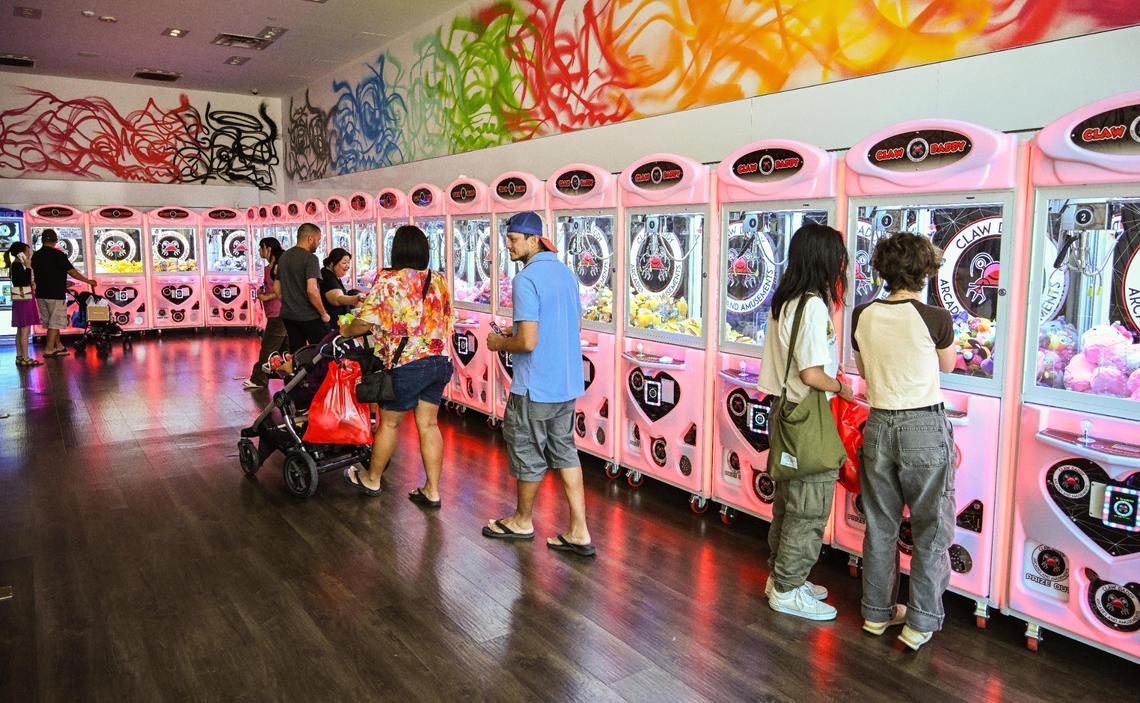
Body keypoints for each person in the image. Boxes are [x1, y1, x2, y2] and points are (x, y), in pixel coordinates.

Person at [851, 232, 957, 651]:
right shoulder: (935, 317)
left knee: (880, 526)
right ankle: (920, 621)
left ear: (883, 270)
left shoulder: (863, 314)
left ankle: (876, 614)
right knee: (931, 527)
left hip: (878, 424)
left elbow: (864, 370)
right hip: (923, 427)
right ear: (925, 271)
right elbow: (948, 364)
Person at [480, 211, 593, 557]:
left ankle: (522, 520)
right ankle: (579, 530)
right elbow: (569, 326)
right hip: (566, 384)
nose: (508, 246)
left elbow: (528, 342)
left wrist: (500, 342)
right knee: (566, 452)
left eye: (514, 240)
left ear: (533, 240)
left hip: (534, 387)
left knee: (528, 454)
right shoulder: (566, 274)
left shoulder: (525, 279)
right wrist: (515, 332)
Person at [757, 223, 852, 621]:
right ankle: (787, 588)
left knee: (788, 504)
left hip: (785, 411)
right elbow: (812, 374)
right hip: (807, 416)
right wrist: (841, 387)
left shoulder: (784, 300)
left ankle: (781, 576)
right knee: (809, 506)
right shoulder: (812, 305)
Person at [339, 225, 454, 505]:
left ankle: (372, 478)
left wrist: (345, 330)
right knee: (429, 425)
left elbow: (365, 323)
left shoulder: (389, 280)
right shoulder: (438, 280)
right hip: (439, 361)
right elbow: (448, 319)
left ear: (397, 250)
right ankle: (432, 490)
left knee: (389, 424)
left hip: (408, 364)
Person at [31, 229, 97, 358]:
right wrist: (87, 281)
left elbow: (46, 273)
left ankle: (58, 346)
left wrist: (62, 281)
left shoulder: (36, 255)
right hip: (55, 293)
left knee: (50, 322)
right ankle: (49, 349)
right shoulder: (58, 254)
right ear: (55, 241)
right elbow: (72, 271)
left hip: (40, 294)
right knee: (55, 323)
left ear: (42, 240)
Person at [243, 237, 288, 389]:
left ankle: (259, 379)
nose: (259, 251)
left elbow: (282, 290)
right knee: (284, 349)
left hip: (279, 314)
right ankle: (291, 377)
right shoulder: (271, 266)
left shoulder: (279, 266)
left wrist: (266, 297)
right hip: (276, 313)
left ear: (268, 248)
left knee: (268, 348)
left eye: (260, 248)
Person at [277, 222, 330, 351]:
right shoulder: (310, 258)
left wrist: (289, 302)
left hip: (288, 315)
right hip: (309, 316)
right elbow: (312, 290)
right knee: (321, 352)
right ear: (310, 239)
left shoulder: (284, 256)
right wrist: (323, 313)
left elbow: (277, 287)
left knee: (297, 352)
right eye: (318, 240)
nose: (318, 243)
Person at [5, 242, 43, 366]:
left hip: (20, 299)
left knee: (20, 329)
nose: (29, 254)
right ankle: (26, 357)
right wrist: (28, 267)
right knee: (25, 329)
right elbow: (24, 281)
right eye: (27, 251)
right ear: (21, 253)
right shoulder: (18, 265)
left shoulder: (15, 265)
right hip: (24, 299)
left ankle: (20, 356)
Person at [318, 247, 362, 329]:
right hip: (332, 326)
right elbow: (337, 299)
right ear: (332, 263)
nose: (347, 266)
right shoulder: (327, 276)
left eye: (348, 263)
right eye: (344, 263)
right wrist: (356, 298)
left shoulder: (333, 276)